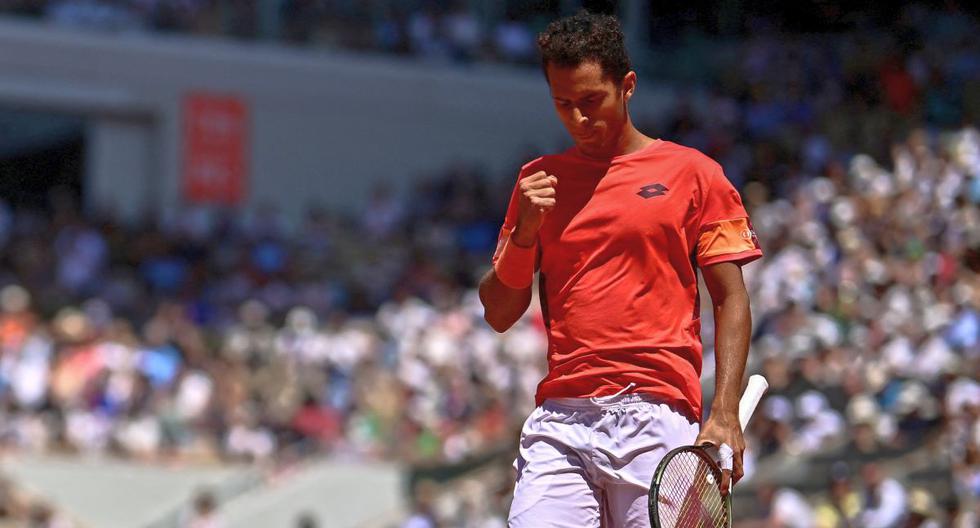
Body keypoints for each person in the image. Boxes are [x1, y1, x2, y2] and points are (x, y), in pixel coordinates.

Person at [478, 11, 763, 527]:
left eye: (592, 101)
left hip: (657, 416)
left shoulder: (694, 174)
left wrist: (723, 412)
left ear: (627, 86)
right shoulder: (538, 181)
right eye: (563, 105)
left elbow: (730, 296)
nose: (579, 119)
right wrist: (524, 232)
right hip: (562, 417)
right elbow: (499, 313)